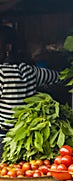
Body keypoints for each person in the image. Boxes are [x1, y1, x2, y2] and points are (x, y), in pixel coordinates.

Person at [0, 25, 60, 158]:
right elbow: (59, 77)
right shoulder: (30, 70)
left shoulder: (2, 73)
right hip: (27, 139)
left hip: (3, 140)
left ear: (8, 48)